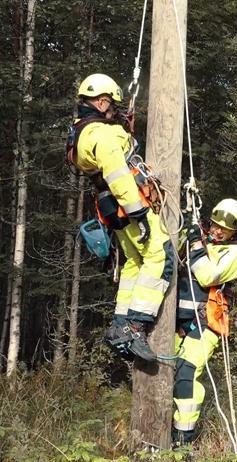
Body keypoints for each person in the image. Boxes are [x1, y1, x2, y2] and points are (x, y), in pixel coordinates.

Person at [68, 73, 174, 361]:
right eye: (112, 105)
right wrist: (139, 213)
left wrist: (120, 127)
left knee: (134, 264)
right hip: (127, 205)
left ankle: (119, 325)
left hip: (111, 208)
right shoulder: (101, 136)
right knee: (160, 256)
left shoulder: (84, 132)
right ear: (102, 103)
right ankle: (136, 325)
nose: (114, 110)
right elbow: (118, 174)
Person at [172, 198, 237, 446]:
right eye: (215, 225)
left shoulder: (235, 253)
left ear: (234, 230)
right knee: (166, 374)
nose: (217, 231)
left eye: (223, 229)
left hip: (204, 325)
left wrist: (195, 244)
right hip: (176, 325)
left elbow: (208, 276)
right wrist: (189, 232)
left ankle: (183, 438)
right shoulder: (201, 241)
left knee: (186, 372)